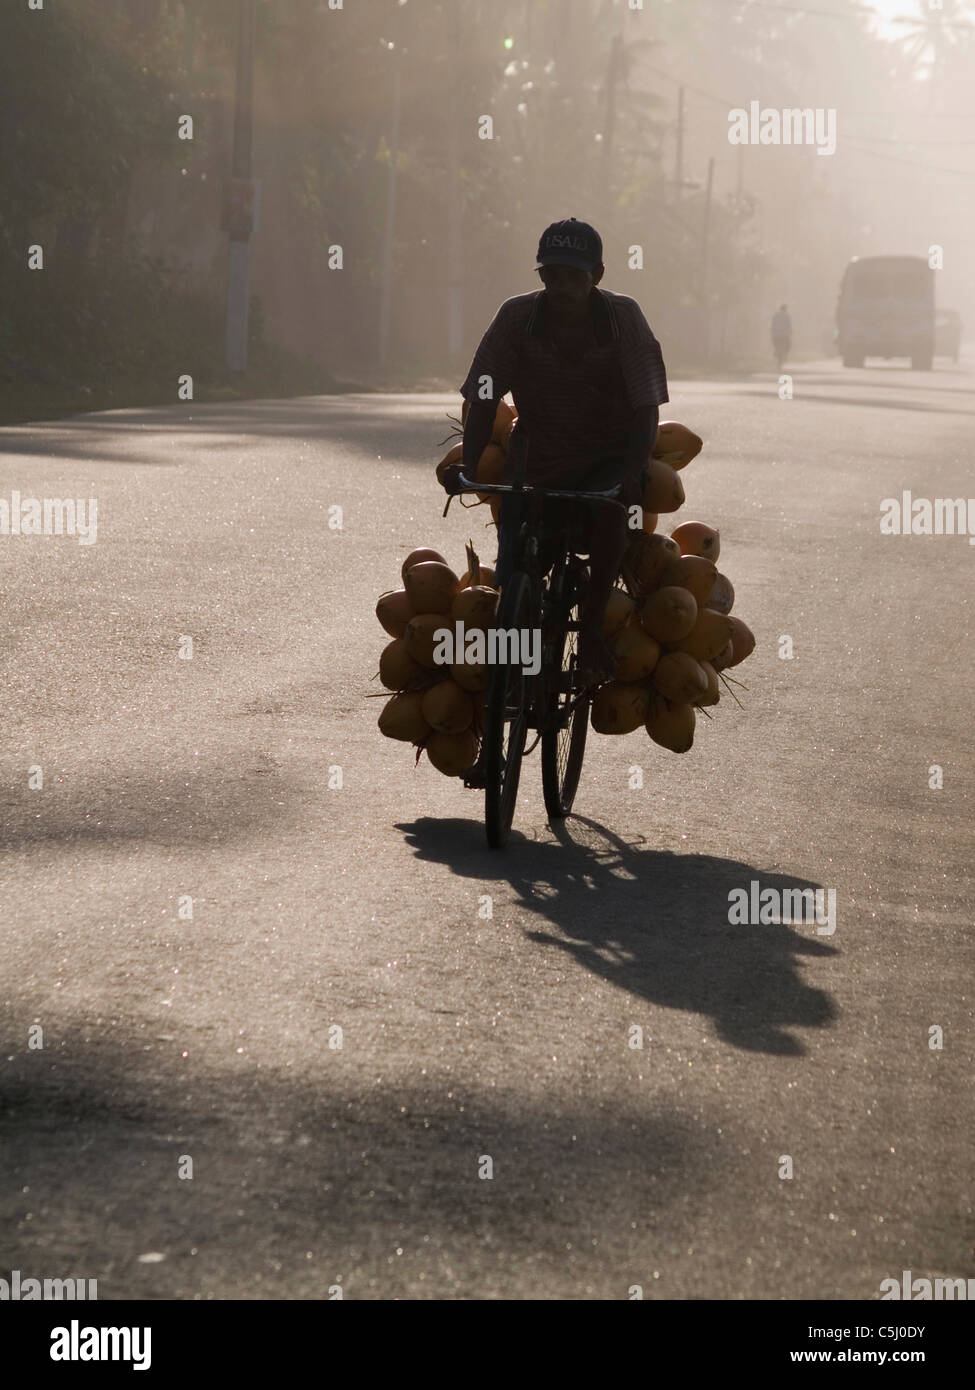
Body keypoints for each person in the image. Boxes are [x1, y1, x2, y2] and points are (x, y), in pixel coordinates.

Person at [443, 217, 669, 686]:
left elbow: (647, 409)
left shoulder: (624, 319)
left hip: (607, 458)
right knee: (515, 566)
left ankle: (589, 636)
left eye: (575, 277)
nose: (563, 288)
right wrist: (468, 466)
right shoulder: (516, 318)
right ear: (541, 275)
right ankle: (509, 666)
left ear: (598, 276)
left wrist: (629, 474)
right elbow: (483, 397)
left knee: (612, 518)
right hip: (537, 458)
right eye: (552, 276)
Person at [771, 303, 792, 369]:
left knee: (775, 344)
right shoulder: (787, 316)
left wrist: (772, 331)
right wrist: (790, 331)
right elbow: (789, 325)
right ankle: (785, 354)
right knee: (788, 345)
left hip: (776, 334)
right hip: (784, 334)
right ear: (785, 309)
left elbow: (773, 324)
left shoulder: (776, 315)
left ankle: (776, 351)